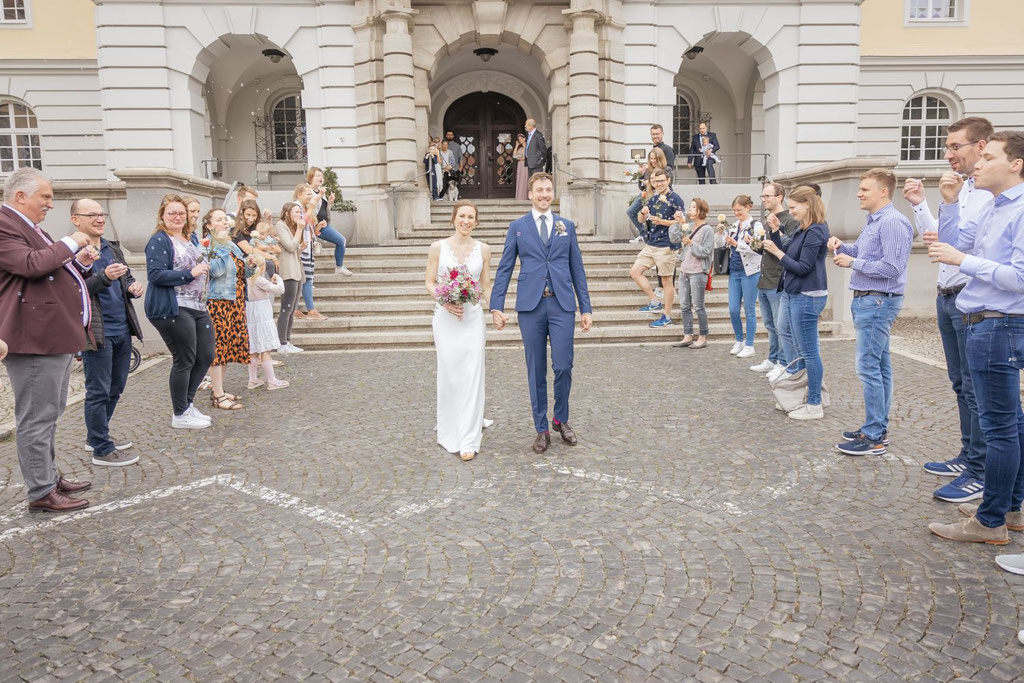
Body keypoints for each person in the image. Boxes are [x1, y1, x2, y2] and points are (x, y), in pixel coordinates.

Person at [926, 130, 1024, 551]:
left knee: (999, 426)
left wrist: (964, 262)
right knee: (1012, 422)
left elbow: (1019, 277)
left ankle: (990, 521)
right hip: (986, 322)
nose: (976, 164)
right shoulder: (993, 208)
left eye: (989, 157)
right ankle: (1011, 508)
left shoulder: (1019, 210)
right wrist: (949, 203)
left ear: (1016, 164)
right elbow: (952, 242)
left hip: (999, 324)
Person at [904, 117, 995, 504]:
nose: (948, 154)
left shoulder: (990, 193)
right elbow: (941, 239)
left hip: (970, 295)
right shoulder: (962, 188)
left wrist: (950, 206)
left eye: (956, 146)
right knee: (960, 384)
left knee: (976, 389)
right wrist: (923, 205)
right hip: (947, 293)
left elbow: (968, 249)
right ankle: (968, 455)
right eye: (948, 147)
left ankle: (980, 468)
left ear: (982, 146)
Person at [0, 167, 96, 512]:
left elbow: (46, 267)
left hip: (49, 334)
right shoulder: (3, 223)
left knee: (50, 411)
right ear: (20, 196)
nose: (49, 204)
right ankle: (41, 490)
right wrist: (71, 242)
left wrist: (77, 261)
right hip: (32, 337)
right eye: (46, 197)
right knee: (37, 417)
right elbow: (30, 265)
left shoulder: (25, 226)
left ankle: (48, 476)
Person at [491, 173, 593, 454]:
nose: (544, 194)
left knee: (563, 366)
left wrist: (586, 307)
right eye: (539, 190)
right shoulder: (518, 227)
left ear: (552, 193)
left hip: (561, 305)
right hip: (531, 307)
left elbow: (578, 269)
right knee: (536, 369)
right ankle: (541, 428)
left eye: (548, 190)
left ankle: (560, 418)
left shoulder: (566, 226)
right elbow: (505, 268)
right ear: (530, 193)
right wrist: (496, 305)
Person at [830, 168, 914, 456]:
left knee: (868, 367)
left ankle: (874, 435)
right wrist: (846, 248)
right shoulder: (875, 221)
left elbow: (892, 268)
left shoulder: (891, 222)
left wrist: (853, 263)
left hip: (878, 301)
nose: (858, 193)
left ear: (883, 191)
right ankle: (876, 426)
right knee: (880, 366)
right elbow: (870, 255)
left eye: (865, 188)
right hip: (871, 300)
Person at [75, 198, 143, 467]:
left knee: (116, 387)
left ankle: (97, 436)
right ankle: (101, 449)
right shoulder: (72, 250)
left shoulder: (111, 247)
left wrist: (131, 286)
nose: (99, 218)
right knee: (98, 390)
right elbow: (74, 290)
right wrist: (105, 277)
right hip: (96, 331)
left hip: (122, 327)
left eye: (101, 214)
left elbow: (124, 278)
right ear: (76, 219)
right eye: (91, 215)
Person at [425, 200, 493, 461]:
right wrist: (443, 297)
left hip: (473, 318)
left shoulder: (484, 249)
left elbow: (485, 285)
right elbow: (429, 282)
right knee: (450, 373)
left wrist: (496, 309)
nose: (466, 221)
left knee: (473, 372)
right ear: (453, 218)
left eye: (471, 217)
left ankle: (468, 436)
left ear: (476, 222)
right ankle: (450, 424)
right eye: (462, 216)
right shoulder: (437, 248)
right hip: (446, 318)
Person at [144, 194, 215, 429]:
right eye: (172, 213)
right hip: (173, 306)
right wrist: (190, 274)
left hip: (197, 306)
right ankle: (180, 413)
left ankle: (188, 403)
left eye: (181, 213)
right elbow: (155, 274)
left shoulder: (188, 238)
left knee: (205, 355)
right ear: (162, 216)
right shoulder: (159, 240)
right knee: (184, 358)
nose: (177, 217)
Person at [761, 186, 830, 420]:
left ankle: (814, 404)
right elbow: (786, 249)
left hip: (807, 295)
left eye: (793, 207)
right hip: (794, 293)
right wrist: (774, 234)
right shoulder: (803, 229)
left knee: (809, 353)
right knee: (797, 347)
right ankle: (800, 396)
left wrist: (778, 253)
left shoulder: (817, 231)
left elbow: (802, 267)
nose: (790, 212)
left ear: (807, 204)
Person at [204, 208, 254, 411]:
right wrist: (222, 246)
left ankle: (219, 389)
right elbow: (216, 272)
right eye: (219, 219)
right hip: (219, 303)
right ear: (209, 225)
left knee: (227, 350)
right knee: (218, 350)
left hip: (236, 301)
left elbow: (243, 273)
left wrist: (250, 265)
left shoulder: (231, 244)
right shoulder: (207, 245)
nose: (225, 222)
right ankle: (217, 395)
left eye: (225, 219)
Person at [752, 183, 801, 375]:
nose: (764, 199)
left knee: (782, 326)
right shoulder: (767, 220)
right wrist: (754, 243)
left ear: (779, 197)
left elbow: (789, 248)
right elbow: (763, 249)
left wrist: (775, 231)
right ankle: (773, 359)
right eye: (762, 196)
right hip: (764, 276)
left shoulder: (789, 220)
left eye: (767, 196)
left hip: (778, 279)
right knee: (770, 325)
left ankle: (783, 362)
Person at [632, 169, 685, 328]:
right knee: (634, 272)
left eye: (662, 180)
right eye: (657, 181)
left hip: (666, 245)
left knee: (667, 281)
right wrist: (643, 211)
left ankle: (667, 316)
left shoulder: (676, 199)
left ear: (668, 180)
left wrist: (662, 222)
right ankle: (654, 301)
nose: (659, 183)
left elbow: (682, 222)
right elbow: (641, 219)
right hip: (651, 244)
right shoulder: (653, 198)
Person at [672, 198, 715, 349]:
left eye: (693, 207)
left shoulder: (707, 230)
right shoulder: (688, 227)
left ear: (700, 211)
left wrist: (691, 244)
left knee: (698, 306)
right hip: (684, 271)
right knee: (684, 305)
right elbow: (674, 238)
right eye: (689, 207)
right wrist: (677, 223)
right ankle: (687, 335)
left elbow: (706, 251)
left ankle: (702, 336)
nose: (690, 210)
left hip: (698, 272)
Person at [725, 195, 763, 359]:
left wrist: (737, 245)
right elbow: (724, 245)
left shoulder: (756, 225)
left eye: (739, 210)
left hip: (750, 271)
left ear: (748, 207)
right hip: (734, 271)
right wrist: (724, 239)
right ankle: (739, 340)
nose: (736, 213)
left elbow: (757, 249)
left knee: (749, 309)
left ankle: (749, 344)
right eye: (734, 210)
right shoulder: (734, 226)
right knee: (733, 309)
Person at [246, 252, 289, 390]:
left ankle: (252, 379)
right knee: (265, 349)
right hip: (262, 315)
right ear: (262, 266)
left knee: (253, 348)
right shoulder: (259, 280)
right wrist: (278, 278)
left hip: (251, 314)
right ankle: (272, 381)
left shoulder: (246, 280)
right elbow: (280, 290)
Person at [626, 125, 676, 240]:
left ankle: (656, 236)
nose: (655, 136)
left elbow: (668, 172)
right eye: (653, 134)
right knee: (631, 211)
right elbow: (641, 186)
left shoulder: (667, 150)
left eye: (657, 134)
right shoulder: (649, 165)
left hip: (659, 193)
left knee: (657, 217)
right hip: (647, 192)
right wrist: (642, 175)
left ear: (662, 134)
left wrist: (652, 179)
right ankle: (644, 234)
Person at [307, 166, 353, 276]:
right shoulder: (308, 190)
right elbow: (311, 205)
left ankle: (339, 267)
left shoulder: (320, 191)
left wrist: (330, 202)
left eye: (322, 176)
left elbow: (324, 210)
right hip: (313, 225)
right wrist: (320, 195)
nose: (321, 178)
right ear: (311, 177)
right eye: (318, 176)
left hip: (323, 224)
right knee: (341, 240)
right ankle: (338, 267)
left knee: (341, 241)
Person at [292, 183, 327, 321]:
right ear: (299, 194)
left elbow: (310, 230)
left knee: (306, 280)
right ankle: (311, 310)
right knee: (306, 280)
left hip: (308, 249)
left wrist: (318, 226)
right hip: (302, 249)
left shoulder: (305, 208)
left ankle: (296, 308)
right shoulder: (296, 207)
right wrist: (312, 207)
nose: (310, 197)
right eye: (308, 194)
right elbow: (300, 224)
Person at [275, 201, 306, 353]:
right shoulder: (281, 226)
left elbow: (294, 251)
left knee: (292, 309)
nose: (299, 215)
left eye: (300, 212)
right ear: (287, 213)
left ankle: (287, 340)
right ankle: (281, 342)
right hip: (288, 272)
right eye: (296, 212)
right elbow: (290, 246)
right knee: (286, 308)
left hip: (296, 270)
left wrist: (301, 248)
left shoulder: (291, 228)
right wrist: (299, 230)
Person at [513, 134, 529, 200]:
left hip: (525, 165)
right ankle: (520, 196)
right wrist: (516, 146)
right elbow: (514, 156)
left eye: (521, 138)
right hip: (520, 164)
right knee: (520, 179)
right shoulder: (521, 148)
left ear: (524, 138)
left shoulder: (527, 147)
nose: (520, 140)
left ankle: (525, 196)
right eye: (519, 139)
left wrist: (523, 158)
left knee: (524, 179)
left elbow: (528, 156)